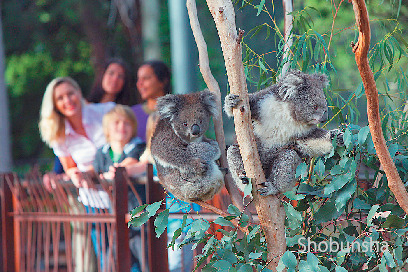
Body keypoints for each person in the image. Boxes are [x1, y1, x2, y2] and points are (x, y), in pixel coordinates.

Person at [39, 76, 116, 272]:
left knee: (135, 251)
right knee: (106, 257)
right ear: (54, 104)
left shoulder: (105, 112)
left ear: (79, 93)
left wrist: (87, 171)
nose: (68, 100)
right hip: (94, 201)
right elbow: (70, 168)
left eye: (70, 94)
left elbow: (123, 148)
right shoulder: (58, 134)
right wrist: (75, 174)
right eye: (60, 98)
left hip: (126, 193)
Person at [53, 58, 136, 175]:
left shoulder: (125, 114)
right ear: (102, 74)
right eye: (111, 73)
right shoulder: (80, 108)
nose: (115, 79)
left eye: (121, 76)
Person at [93, 105, 146, 272]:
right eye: (117, 123)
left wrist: (114, 173)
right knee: (114, 260)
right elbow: (96, 174)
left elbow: (130, 163)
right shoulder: (101, 152)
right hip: (115, 213)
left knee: (145, 257)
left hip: (138, 213)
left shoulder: (138, 146)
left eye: (127, 123)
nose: (122, 127)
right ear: (107, 128)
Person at [132, 60, 171, 143]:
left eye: (145, 78)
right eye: (138, 79)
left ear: (163, 81)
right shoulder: (132, 114)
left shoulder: (177, 113)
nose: (139, 84)